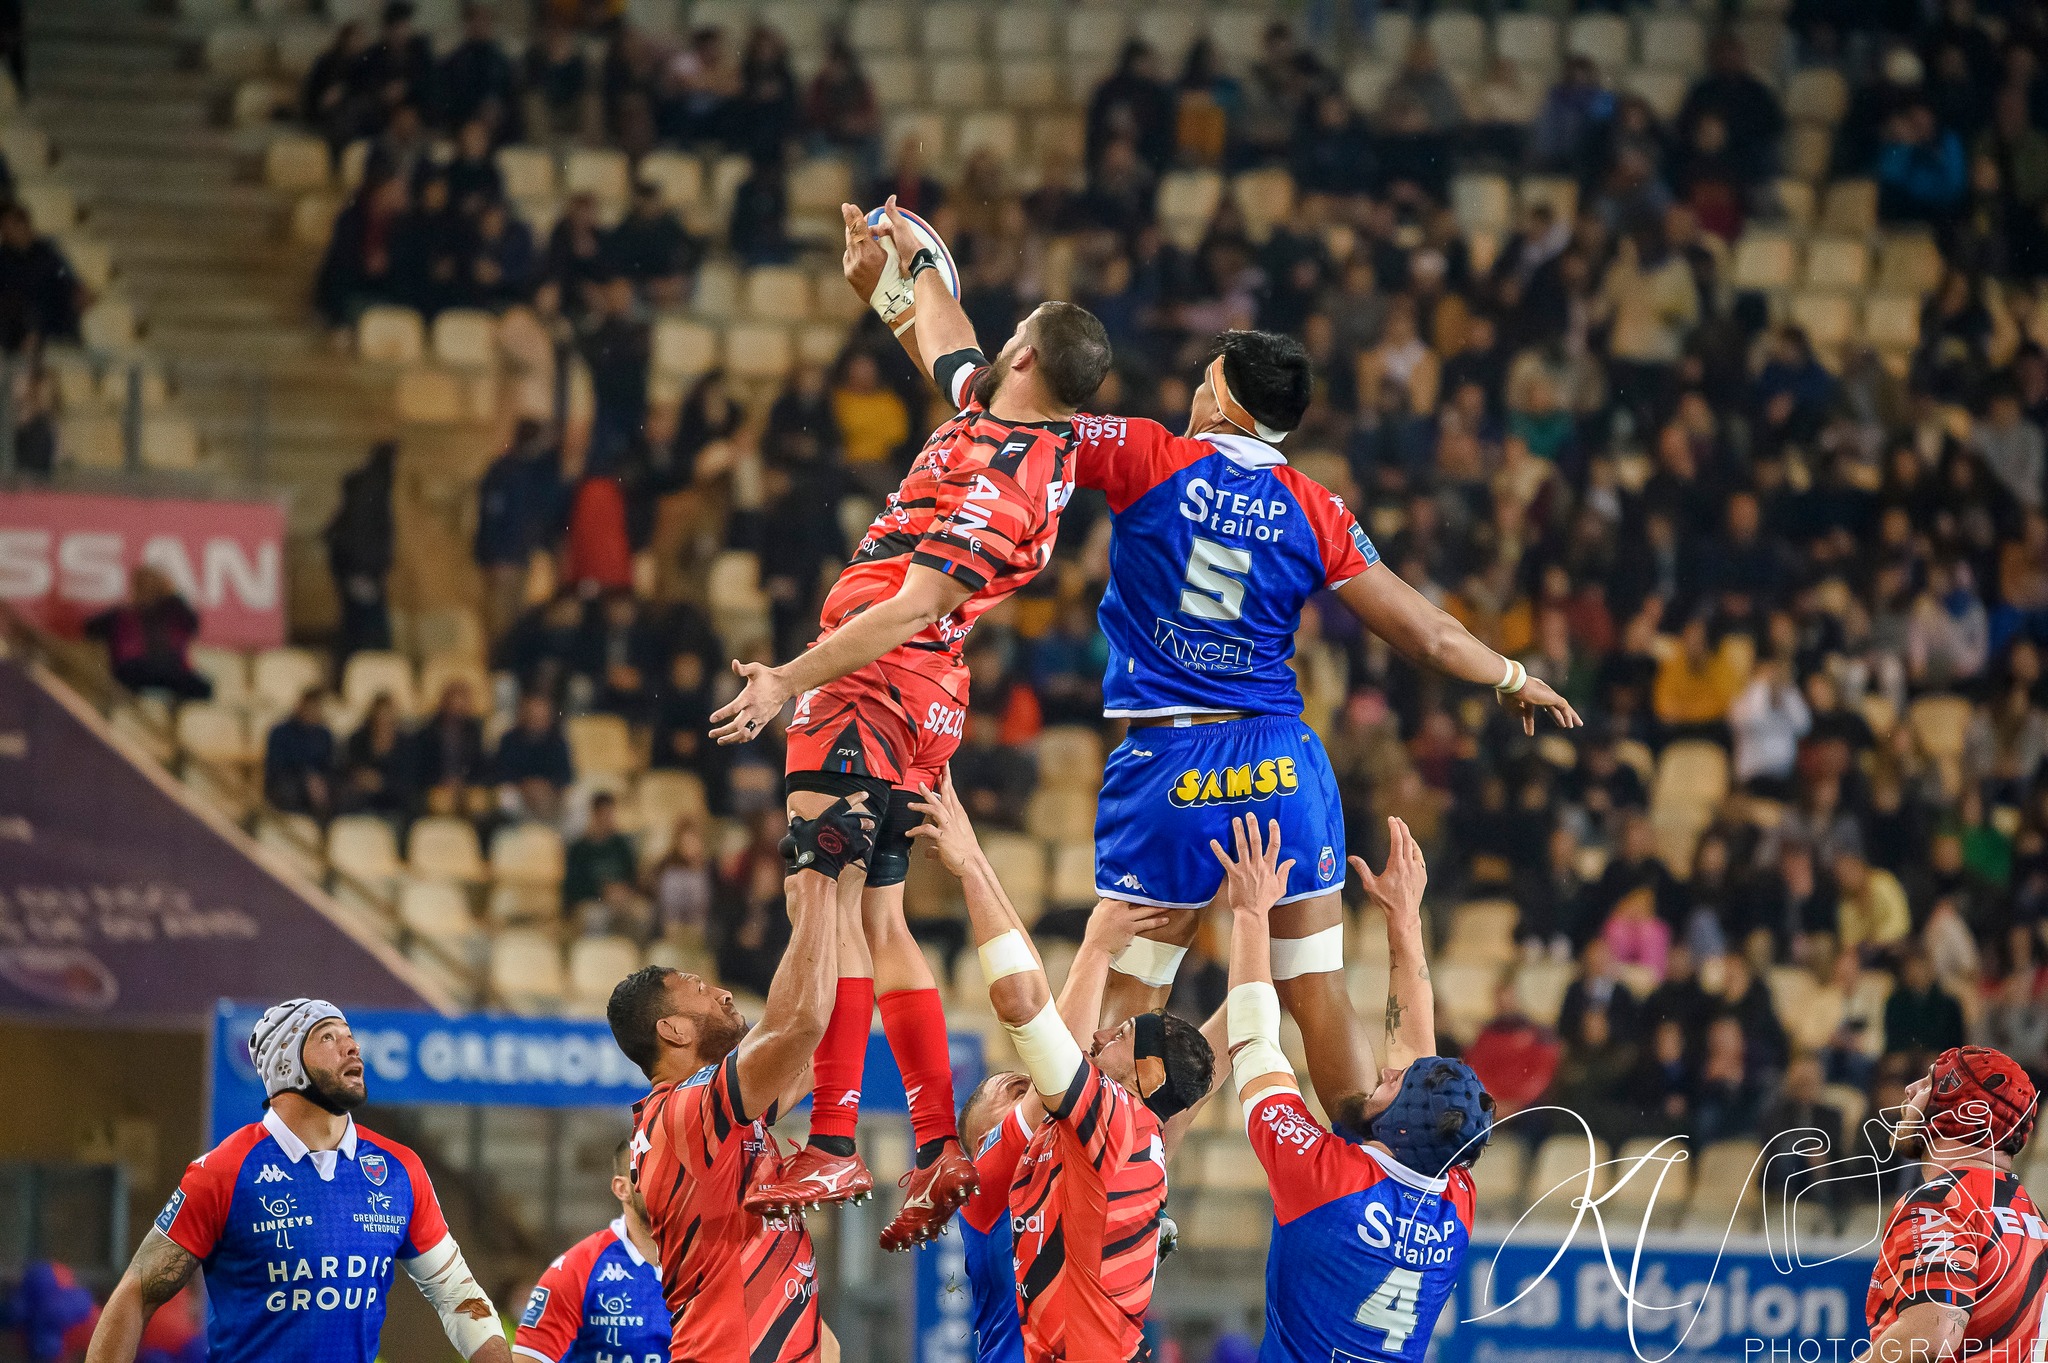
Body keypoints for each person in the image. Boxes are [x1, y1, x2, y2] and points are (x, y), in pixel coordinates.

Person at [710, 198, 1112, 1248]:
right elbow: (941, 330)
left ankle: (835, 1137)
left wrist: (789, 680)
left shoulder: (1001, 487)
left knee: (825, 907)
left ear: (1023, 353)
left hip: (873, 675)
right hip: (919, 692)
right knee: (878, 917)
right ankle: (936, 1139)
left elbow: (911, 604)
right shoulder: (1013, 421)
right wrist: (884, 269)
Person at [1059, 328, 1576, 1123]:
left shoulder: (1148, 455)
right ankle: (1374, 1170)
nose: (1193, 391)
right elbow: (1427, 634)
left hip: (1166, 764)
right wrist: (1509, 674)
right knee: (1315, 989)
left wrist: (913, 312)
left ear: (1225, 398)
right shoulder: (1315, 507)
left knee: (1131, 1005)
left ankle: (1119, 1185)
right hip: (1276, 763)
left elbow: (1019, 418)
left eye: (1205, 378)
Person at [906, 770, 1212, 1362]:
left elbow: (1044, 1018)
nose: (1025, 1084)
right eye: (1010, 1089)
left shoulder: (1088, 1140)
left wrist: (976, 863)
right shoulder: (991, 1185)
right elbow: (1033, 1015)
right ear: (983, 1140)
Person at [83, 999, 509, 1363]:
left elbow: (456, 1293)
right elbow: (137, 1291)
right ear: (286, 1062)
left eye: (349, 1035)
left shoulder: (400, 1170)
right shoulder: (223, 1172)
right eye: (328, 1037)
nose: (352, 1046)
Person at [1219, 812, 1488, 1363]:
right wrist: (1404, 921)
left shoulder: (1327, 1183)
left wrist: (1250, 914)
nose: (1388, 1073)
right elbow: (1416, 1061)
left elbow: (1251, 1043)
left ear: (1403, 1125)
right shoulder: (1453, 1200)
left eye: (1396, 1086)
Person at [605, 793, 859, 1363]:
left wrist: (839, 894)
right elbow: (801, 1024)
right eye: (699, 988)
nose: (721, 992)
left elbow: (823, 1045)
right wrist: (816, 879)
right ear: (672, 1030)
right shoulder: (688, 1110)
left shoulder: (712, 1119)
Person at [1864, 1047, 2045, 1362]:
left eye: (1927, 1084)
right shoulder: (2034, 1216)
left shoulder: (1941, 1202)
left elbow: (1933, 1335)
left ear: (1961, 1108)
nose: (1910, 1090)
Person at [511, 1141, 669, 1363]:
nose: (668, 1182)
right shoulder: (578, 1269)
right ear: (622, 1189)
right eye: (653, 1172)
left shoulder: (716, 1265)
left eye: (674, 1170)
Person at [84, 566, 211, 700]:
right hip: (136, 672)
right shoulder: (120, 615)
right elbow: (90, 629)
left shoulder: (175, 610)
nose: (148, 589)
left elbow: (194, 624)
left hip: (167, 673)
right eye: (143, 585)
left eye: (153, 584)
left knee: (203, 687)